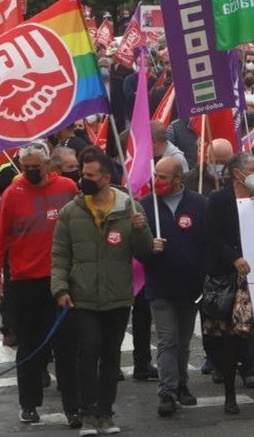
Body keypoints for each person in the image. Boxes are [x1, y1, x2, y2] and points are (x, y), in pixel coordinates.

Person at [51, 148, 152, 435]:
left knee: (111, 355)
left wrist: (142, 229)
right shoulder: (71, 212)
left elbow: (145, 254)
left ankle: (105, 413)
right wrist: (59, 288)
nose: (84, 179)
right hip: (83, 297)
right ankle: (87, 415)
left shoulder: (130, 208)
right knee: (89, 352)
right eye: (83, 174)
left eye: (90, 175)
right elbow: (59, 255)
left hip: (118, 296)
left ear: (106, 177)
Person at [0, 142, 80, 426]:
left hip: (60, 281)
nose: (29, 172)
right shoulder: (12, 194)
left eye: (35, 168)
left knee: (66, 346)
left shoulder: (67, 188)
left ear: (48, 166)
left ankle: (73, 407)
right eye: (25, 167)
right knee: (28, 346)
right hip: (24, 283)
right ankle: (29, 404)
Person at [205, 152, 254, 417]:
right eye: (251, 168)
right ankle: (229, 395)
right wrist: (234, 258)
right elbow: (212, 236)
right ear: (236, 173)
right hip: (230, 277)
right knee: (230, 341)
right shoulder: (217, 200)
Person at [141, 157, 209, 418]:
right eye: (155, 175)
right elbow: (135, 249)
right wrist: (148, 247)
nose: (156, 181)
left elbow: (208, 242)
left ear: (179, 179)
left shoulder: (200, 204)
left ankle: (181, 384)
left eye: (163, 177)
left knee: (182, 342)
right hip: (160, 285)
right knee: (167, 340)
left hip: (190, 286)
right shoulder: (146, 206)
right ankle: (166, 392)